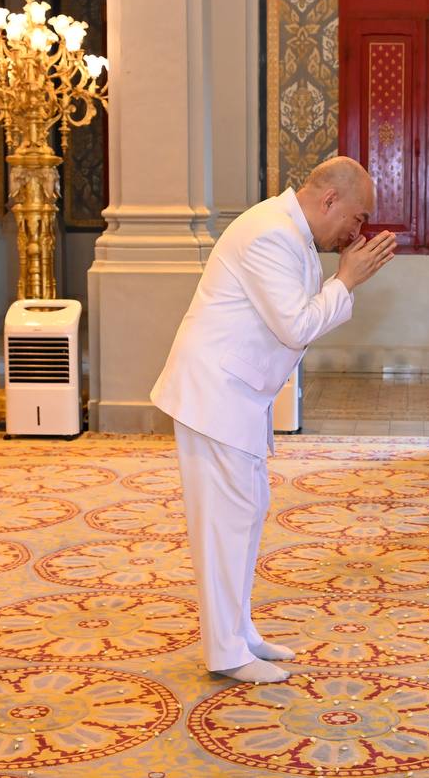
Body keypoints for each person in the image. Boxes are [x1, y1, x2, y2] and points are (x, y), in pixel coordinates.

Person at [152, 156, 397, 684]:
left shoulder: (293, 233)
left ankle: (239, 632)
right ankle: (225, 651)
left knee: (245, 513)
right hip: (214, 396)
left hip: (236, 397)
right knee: (224, 524)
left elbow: (297, 320)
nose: (358, 230)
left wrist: (342, 279)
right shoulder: (271, 233)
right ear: (330, 199)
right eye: (357, 217)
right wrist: (345, 280)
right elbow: (295, 326)